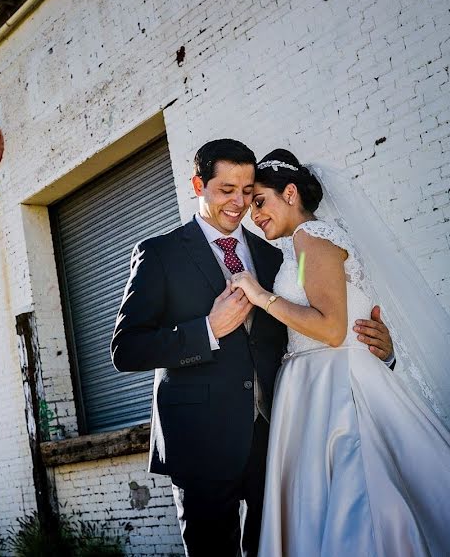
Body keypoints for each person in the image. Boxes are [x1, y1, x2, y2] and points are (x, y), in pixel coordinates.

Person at [230, 149, 450, 556]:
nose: (254, 215)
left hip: (336, 387)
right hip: (315, 383)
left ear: (290, 193)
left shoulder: (313, 237)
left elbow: (330, 327)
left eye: (260, 202)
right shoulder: (299, 248)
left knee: (357, 502)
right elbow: (320, 306)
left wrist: (260, 295)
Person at [110, 140, 393, 556]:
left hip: (278, 439)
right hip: (200, 445)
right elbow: (126, 349)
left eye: (247, 191)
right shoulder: (160, 254)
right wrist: (207, 329)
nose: (240, 203)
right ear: (198, 185)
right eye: (227, 190)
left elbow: (318, 319)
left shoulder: (275, 253)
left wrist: (377, 348)